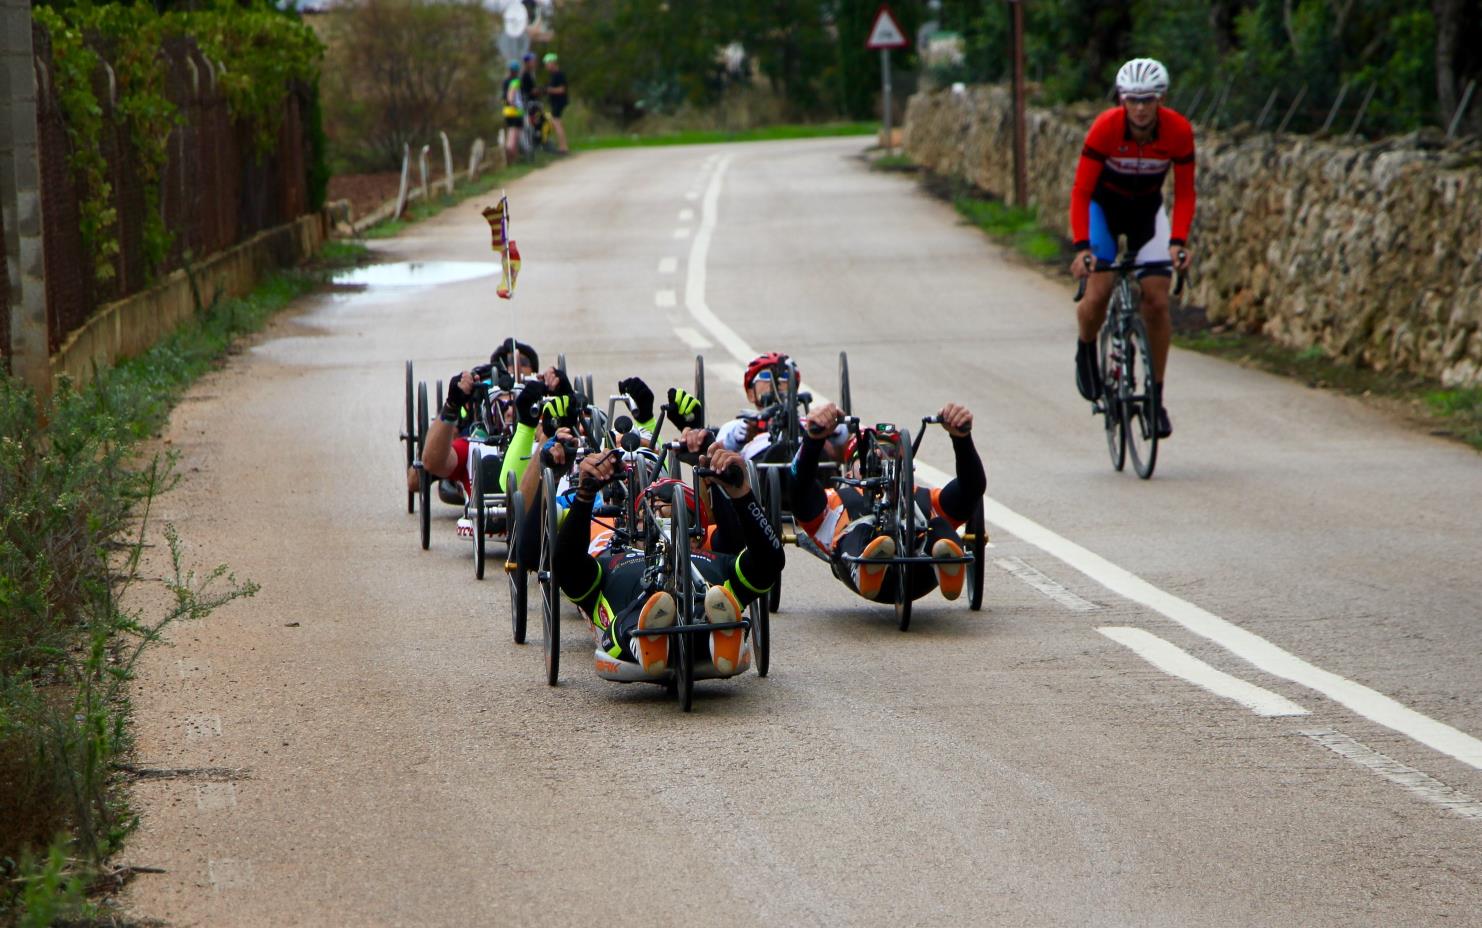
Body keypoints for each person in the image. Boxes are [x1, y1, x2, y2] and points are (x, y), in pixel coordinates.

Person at [556, 444, 784, 678]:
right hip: (632, 623)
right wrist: (585, 496)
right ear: (634, 532)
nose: (661, 523)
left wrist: (742, 494)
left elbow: (770, 561)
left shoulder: (718, 562)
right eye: (649, 518)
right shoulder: (612, 564)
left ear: (697, 532)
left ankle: (721, 629)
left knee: (713, 601)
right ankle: (648, 636)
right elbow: (565, 567)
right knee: (643, 609)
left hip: (704, 619)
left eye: (672, 516)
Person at [1068, 57, 1195, 439]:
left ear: (1162, 99)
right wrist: (1082, 247)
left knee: (1156, 301)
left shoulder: (1177, 131)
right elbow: (1081, 191)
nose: (1140, 107)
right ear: (1122, 99)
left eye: (1148, 99)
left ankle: (1155, 399)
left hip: (1147, 213)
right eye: (1132, 99)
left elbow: (1186, 192)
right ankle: (1087, 349)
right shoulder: (1106, 128)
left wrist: (1177, 243)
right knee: (1099, 291)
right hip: (1104, 210)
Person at [792, 402, 985, 604]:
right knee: (859, 528)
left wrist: (962, 439)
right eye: (866, 454)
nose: (880, 456)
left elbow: (972, 488)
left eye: (892, 454)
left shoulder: (925, 497)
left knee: (938, 524)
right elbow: (798, 489)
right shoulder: (833, 501)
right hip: (854, 563)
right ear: (849, 472)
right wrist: (812, 440)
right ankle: (867, 566)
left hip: (921, 573)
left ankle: (948, 562)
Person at [542, 52, 569, 153]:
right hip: (555, 102)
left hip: (559, 102)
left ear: (553, 63)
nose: (546, 66)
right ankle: (561, 145)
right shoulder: (553, 75)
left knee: (557, 123)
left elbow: (562, 89)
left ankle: (563, 147)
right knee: (555, 123)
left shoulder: (559, 74)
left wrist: (548, 90)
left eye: (547, 64)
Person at [502, 60, 525, 164]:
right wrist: (513, 103)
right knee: (514, 133)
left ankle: (513, 157)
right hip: (515, 110)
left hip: (506, 110)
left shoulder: (505, 81)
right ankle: (511, 155)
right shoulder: (515, 81)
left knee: (512, 132)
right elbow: (511, 94)